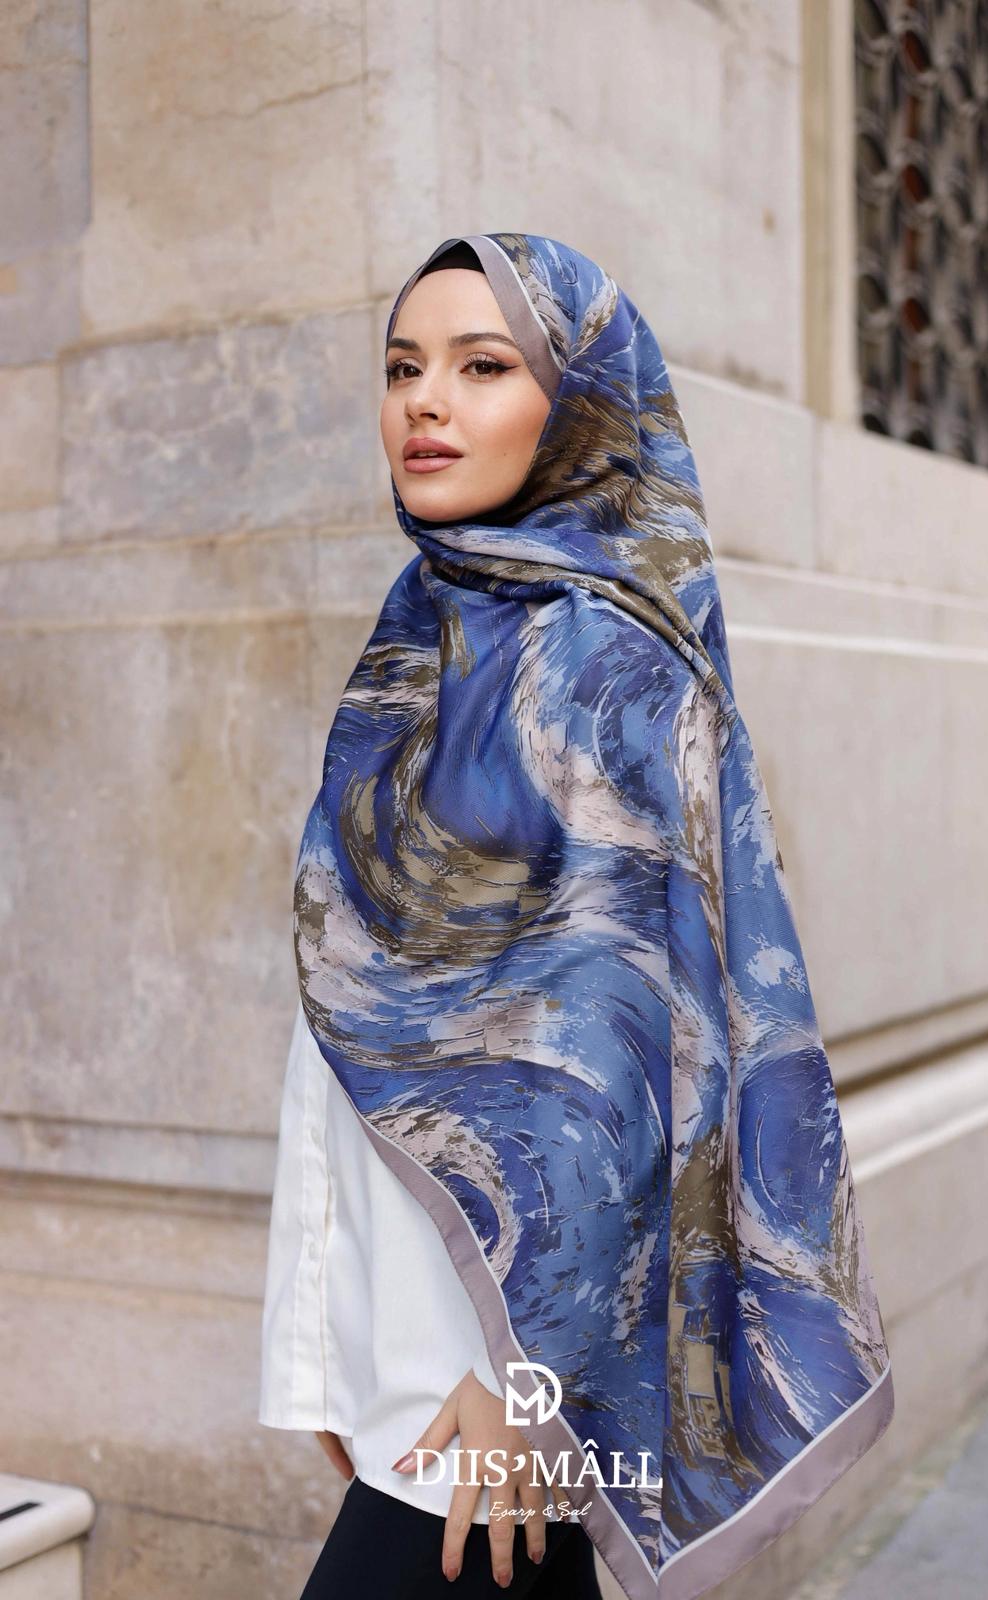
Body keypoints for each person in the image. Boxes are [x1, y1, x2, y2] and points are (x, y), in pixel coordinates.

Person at [264, 233, 895, 1600]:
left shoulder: (603, 663)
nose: (426, 402)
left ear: (583, 405)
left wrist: (530, 1386)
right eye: (403, 368)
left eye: (483, 366)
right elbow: (380, 997)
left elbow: (619, 1060)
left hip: (504, 1380)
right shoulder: (432, 629)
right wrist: (325, 1340)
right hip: (422, 1351)